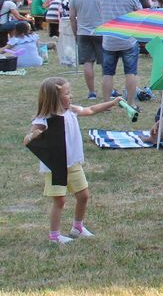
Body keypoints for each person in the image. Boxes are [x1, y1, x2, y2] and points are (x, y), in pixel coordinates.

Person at [24, 77, 119, 243]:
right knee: (59, 201)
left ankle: (78, 227)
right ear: (55, 98)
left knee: (83, 196)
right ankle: (54, 235)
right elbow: (27, 140)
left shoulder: (71, 110)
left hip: (73, 163)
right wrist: (34, 135)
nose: (71, 96)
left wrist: (111, 103)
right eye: (67, 93)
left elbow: (90, 110)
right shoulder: (44, 118)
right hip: (56, 167)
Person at [98, 0, 142, 103]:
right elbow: (140, 13)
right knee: (131, 72)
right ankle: (130, 102)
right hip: (127, 39)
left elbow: (100, 13)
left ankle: (106, 102)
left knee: (107, 73)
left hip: (109, 40)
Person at [69, 0, 104, 100]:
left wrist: (75, 33)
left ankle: (92, 92)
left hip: (83, 32)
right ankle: (108, 88)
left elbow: (72, 17)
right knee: (105, 62)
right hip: (100, 31)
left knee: (88, 63)